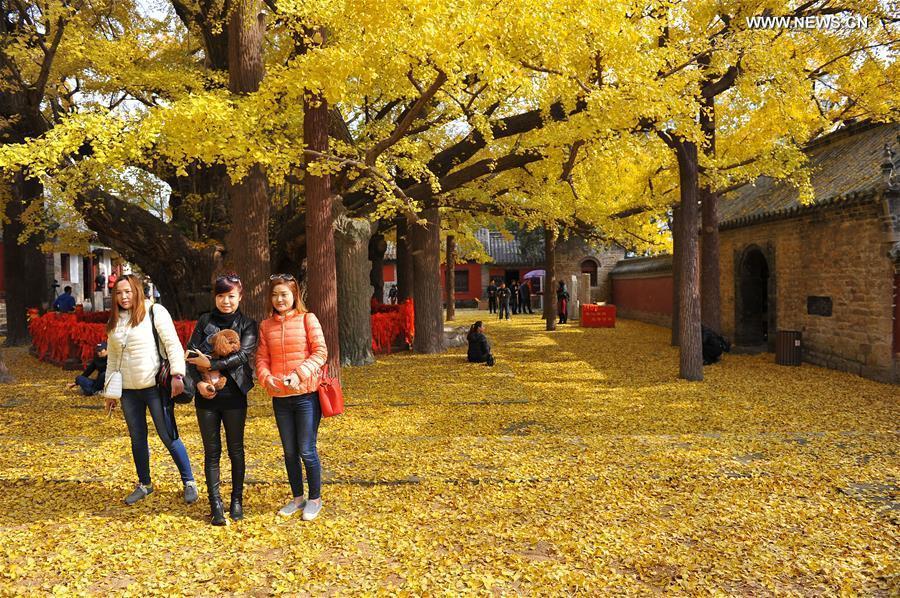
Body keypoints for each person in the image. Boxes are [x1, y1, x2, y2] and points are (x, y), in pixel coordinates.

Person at [103, 274, 198, 506]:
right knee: (137, 438)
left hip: (154, 386)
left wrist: (178, 374)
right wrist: (110, 393)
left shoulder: (155, 311)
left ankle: (189, 481)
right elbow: (113, 359)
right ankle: (145, 484)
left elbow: (173, 345)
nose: (124, 297)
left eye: (128, 291)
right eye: (119, 293)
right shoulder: (115, 321)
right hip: (128, 390)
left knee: (168, 434)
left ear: (137, 290)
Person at [185, 273, 258, 526]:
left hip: (234, 394)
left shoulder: (248, 324)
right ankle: (215, 504)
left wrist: (212, 363)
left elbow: (242, 356)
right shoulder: (205, 320)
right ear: (215, 297)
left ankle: (236, 500)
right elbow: (190, 355)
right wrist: (199, 382)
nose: (226, 301)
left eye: (231, 296)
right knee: (212, 452)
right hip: (207, 396)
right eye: (221, 296)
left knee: (236, 450)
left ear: (240, 297)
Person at [256, 274, 328, 521]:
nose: (279, 299)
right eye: (275, 295)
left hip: (306, 395)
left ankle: (315, 499)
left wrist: (299, 374)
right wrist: (267, 378)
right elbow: (261, 358)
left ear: (295, 295)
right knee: (289, 451)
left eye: (284, 294)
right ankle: (298, 498)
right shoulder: (266, 325)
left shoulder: (308, 319)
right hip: (281, 397)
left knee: (306, 450)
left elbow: (320, 352)